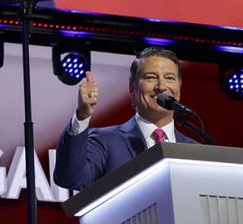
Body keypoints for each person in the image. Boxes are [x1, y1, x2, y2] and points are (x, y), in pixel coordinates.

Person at [53, 47, 198, 191]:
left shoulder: (196, 152)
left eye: (169, 78)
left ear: (179, 89)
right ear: (132, 89)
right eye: (151, 77)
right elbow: (70, 178)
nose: (161, 86)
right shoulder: (105, 141)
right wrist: (83, 114)